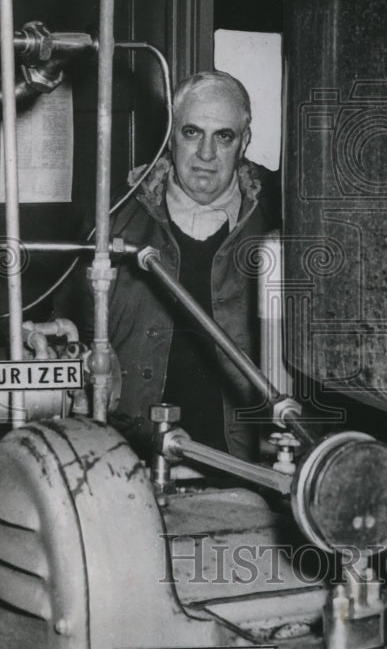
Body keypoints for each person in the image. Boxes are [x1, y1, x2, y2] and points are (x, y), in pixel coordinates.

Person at [67, 70, 280, 461]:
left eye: (224, 136)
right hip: (133, 464)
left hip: (252, 467)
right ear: (170, 135)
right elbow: (72, 340)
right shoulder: (113, 218)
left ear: (244, 141)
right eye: (192, 132)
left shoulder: (280, 220)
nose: (206, 155)